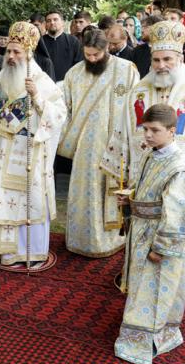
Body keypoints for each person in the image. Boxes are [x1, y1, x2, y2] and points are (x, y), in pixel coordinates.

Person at [102, 20, 185, 291]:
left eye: (168, 58)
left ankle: (177, 283)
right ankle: (137, 278)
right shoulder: (139, 92)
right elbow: (123, 130)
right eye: (156, 59)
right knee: (142, 228)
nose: (161, 65)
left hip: (181, 178)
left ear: (180, 58)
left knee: (177, 226)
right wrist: (120, 173)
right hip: (142, 177)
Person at [0, 22, 68, 271]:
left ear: (28, 53)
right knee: (1, 197)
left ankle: (29, 250)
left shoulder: (41, 80)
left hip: (29, 153)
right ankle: (2, 249)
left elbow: (59, 115)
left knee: (27, 201)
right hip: (0, 151)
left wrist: (37, 97)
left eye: (18, 52)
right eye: (10, 52)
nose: (12, 56)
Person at [114, 104, 185, 364]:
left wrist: (160, 247)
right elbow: (145, 187)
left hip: (158, 238)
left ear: (172, 131)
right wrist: (130, 199)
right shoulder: (152, 154)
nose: (147, 135)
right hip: (142, 229)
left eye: (154, 130)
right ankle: (141, 333)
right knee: (141, 286)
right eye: (145, 129)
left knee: (156, 288)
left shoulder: (178, 168)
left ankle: (146, 340)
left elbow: (177, 212)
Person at [59, 28, 138, 258]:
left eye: (96, 55)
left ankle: (110, 241)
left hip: (115, 145)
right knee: (85, 193)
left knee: (109, 193)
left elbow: (135, 109)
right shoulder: (74, 74)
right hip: (84, 149)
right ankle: (81, 239)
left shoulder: (125, 70)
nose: (91, 59)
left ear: (107, 49)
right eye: (88, 55)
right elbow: (64, 109)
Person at [37, 10, 81, 81]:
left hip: (67, 84)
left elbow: (79, 65)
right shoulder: (40, 42)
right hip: (45, 84)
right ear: (46, 25)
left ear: (62, 22)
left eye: (55, 19)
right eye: (49, 20)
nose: (52, 22)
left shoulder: (73, 41)